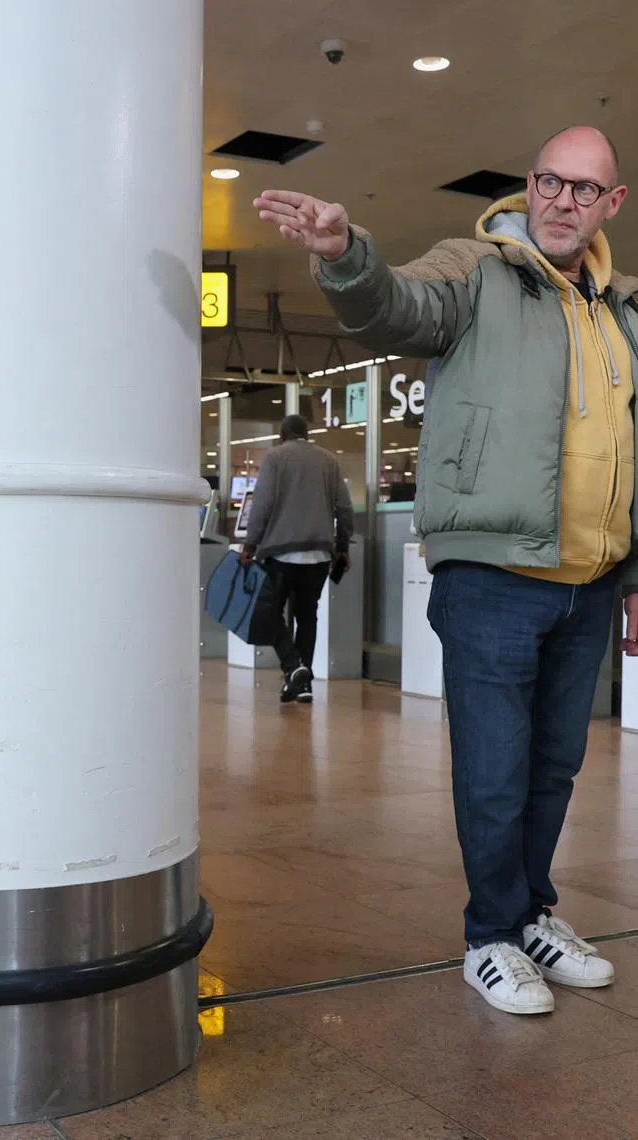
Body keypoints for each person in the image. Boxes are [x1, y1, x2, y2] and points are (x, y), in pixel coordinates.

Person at [254, 125, 637, 1015]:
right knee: (497, 768)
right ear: (528, 184)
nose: (562, 202)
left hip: (589, 576)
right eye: (550, 181)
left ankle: (534, 910)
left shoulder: (618, 308)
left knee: (554, 765)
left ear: (610, 205)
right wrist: (346, 255)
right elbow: (395, 308)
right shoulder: (477, 268)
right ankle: (493, 937)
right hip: (495, 572)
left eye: (585, 190)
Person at [240, 414, 353, 704]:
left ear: (282, 436)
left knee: (268, 613)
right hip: (319, 555)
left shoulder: (275, 458)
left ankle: (293, 667)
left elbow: (262, 504)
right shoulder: (329, 461)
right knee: (307, 617)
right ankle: (301, 684)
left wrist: (250, 544)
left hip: (280, 553)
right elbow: (344, 507)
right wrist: (342, 547)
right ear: (307, 434)